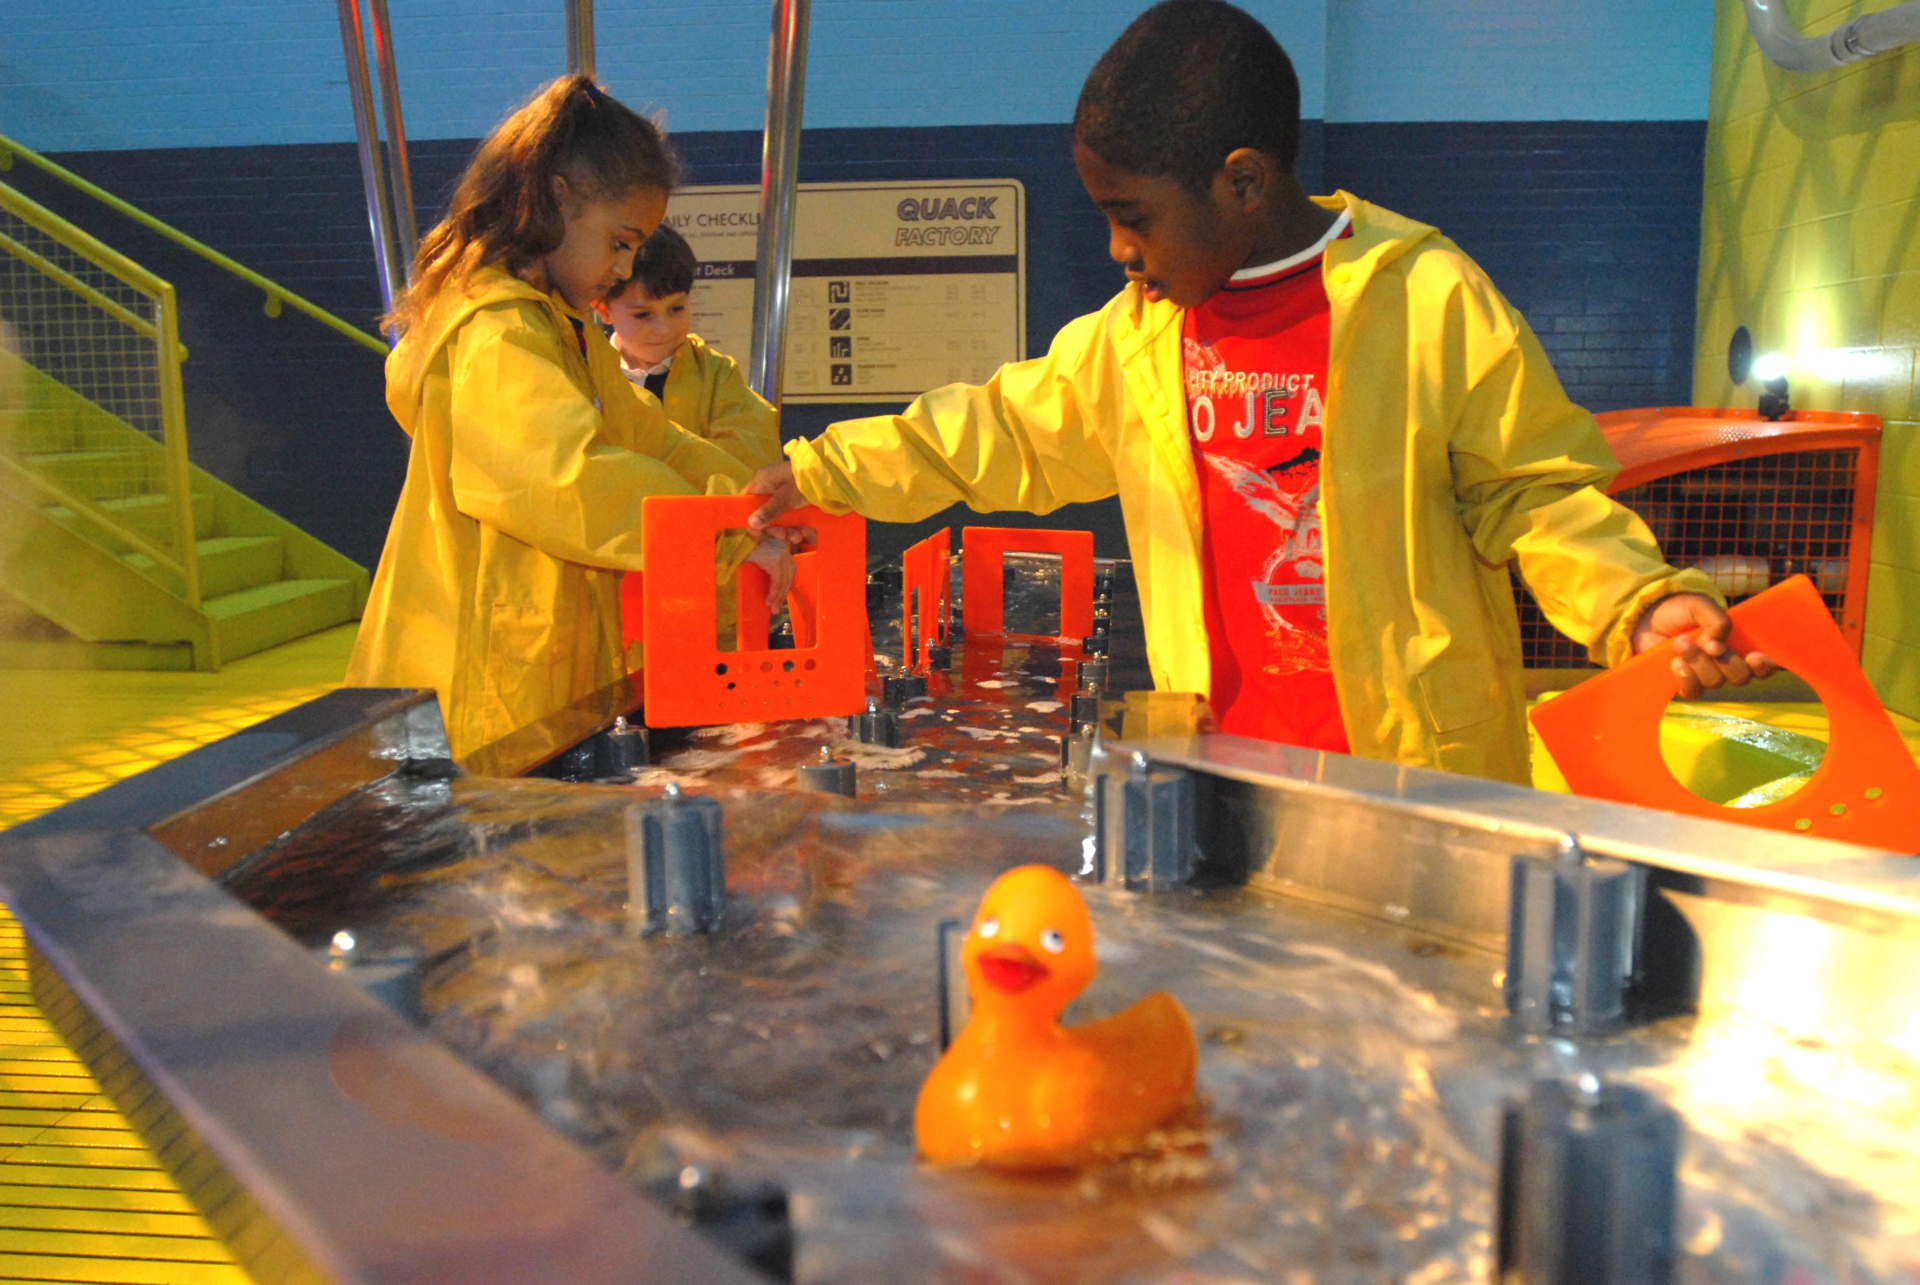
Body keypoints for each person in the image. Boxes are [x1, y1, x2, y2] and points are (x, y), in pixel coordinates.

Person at [746, 0, 1771, 784]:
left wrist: (1638, 602)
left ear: (1242, 183)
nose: (1117, 248)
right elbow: (991, 432)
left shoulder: (1420, 300)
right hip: (1225, 768)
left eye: (1133, 215)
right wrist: (817, 472)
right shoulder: (1140, 339)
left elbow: (1538, 492)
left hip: (1415, 775)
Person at [347, 75, 791, 759]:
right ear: (557, 197)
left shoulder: (562, 330)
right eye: (619, 241)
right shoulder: (497, 335)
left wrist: (764, 495)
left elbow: (649, 436)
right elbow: (571, 481)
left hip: (531, 680)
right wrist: (729, 535)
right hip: (471, 702)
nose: (623, 269)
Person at [596, 223, 781, 470]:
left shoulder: (717, 374)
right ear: (604, 309)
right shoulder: (589, 374)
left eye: (676, 309)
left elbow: (754, 455)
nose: (664, 329)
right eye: (642, 315)